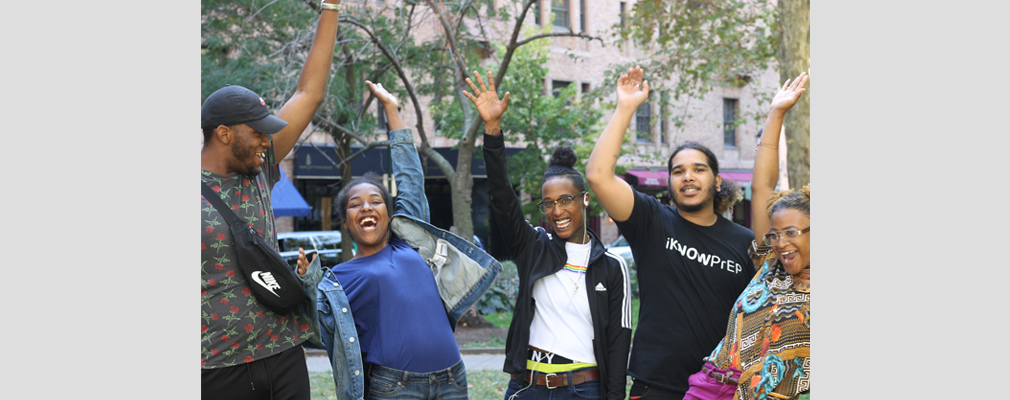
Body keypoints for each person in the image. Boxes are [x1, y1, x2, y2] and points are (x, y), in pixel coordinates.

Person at [315, 80, 502, 400]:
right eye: (355, 205)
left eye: (376, 201)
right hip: (394, 388)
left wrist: (391, 109)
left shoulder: (409, 245)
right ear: (346, 224)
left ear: (390, 214)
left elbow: (410, 178)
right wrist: (306, 282)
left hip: (453, 379)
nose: (367, 208)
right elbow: (312, 329)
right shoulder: (338, 279)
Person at [584, 67, 756, 399]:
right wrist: (626, 109)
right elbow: (598, 176)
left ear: (717, 181)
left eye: (699, 169)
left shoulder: (743, 241)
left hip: (720, 388)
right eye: (678, 171)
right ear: (670, 182)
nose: (688, 177)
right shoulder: (652, 221)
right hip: (654, 385)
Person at [464, 71, 633, 400]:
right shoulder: (534, 246)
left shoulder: (612, 267)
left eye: (566, 200)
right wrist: (492, 130)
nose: (557, 211)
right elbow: (501, 195)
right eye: (549, 203)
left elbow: (618, 343)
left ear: (585, 199)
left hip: (584, 389)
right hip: (528, 386)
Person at [200, 3, 339, 399]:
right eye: (257, 132)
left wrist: (331, 7)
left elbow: (308, 93)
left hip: (284, 354)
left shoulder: (260, 169)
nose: (267, 140)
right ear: (224, 134)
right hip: (215, 368)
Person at [683, 72, 810, 400]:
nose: (781, 243)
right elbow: (762, 187)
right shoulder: (771, 266)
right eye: (776, 234)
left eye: (792, 233)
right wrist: (776, 114)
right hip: (710, 387)